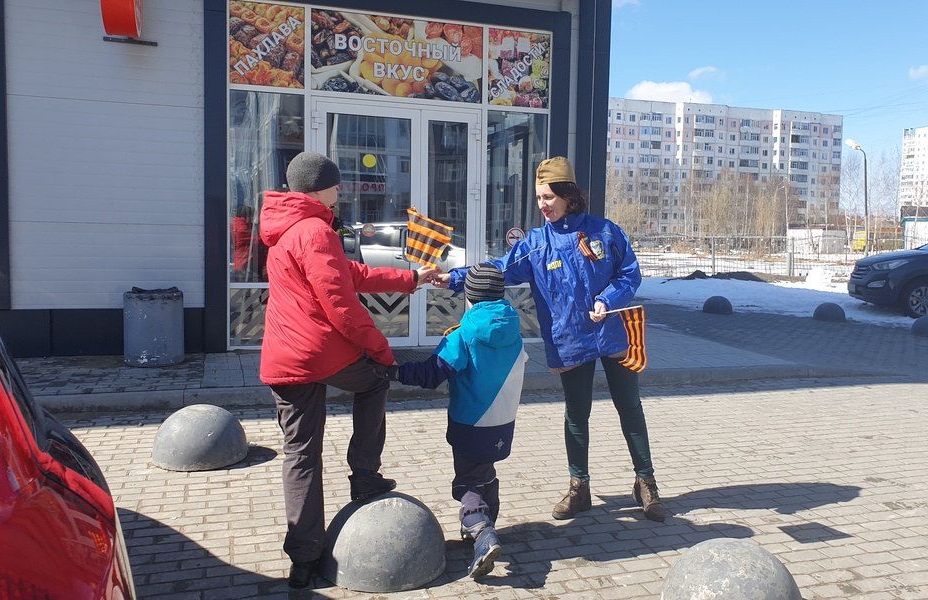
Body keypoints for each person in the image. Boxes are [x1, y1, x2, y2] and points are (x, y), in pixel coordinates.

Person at [433, 156, 665, 523]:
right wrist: (454, 278)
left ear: (568, 195)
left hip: (612, 333)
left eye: (548, 197)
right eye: (539, 198)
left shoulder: (606, 232)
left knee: (629, 406)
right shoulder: (536, 244)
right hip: (570, 339)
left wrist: (608, 300)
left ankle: (646, 481)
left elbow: (629, 275)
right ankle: (579, 487)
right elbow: (499, 268)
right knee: (577, 414)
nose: (542, 205)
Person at [258, 151, 439, 589]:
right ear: (319, 187)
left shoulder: (283, 228)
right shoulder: (316, 230)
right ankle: (365, 477)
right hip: (321, 352)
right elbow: (341, 304)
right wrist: (381, 351)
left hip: (283, 358)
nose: (341, 194)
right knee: (375, 382)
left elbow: (348, 274)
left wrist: (411, 278)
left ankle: (303, 561)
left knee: (300, 455)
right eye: (337, 186)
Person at [374, 263, 528, 580]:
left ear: (469, 297)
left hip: (470, 421)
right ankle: (484, 528)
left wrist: (396, 372)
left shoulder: (464, 335)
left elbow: (433, 374)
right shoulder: (514, 332)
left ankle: (481, 530)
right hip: (503, 422)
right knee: (486, 473)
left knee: (468, 481)